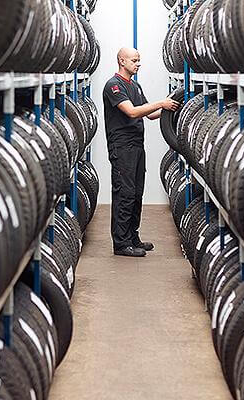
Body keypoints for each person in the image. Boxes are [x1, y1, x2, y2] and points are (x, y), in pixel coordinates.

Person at [103, 47, 179, 257]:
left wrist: (171, 107)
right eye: (134, 60)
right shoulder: (114, 86)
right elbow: (132, 111)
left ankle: (132, 237)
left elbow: (150, 113)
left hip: (137, 145)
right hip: (122, 147)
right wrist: (161, 102)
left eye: (139, 60)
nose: (138, 64)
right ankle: (121, 243)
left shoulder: (134, 85)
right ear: (121, 61)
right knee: (124, 194)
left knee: (136, 194)